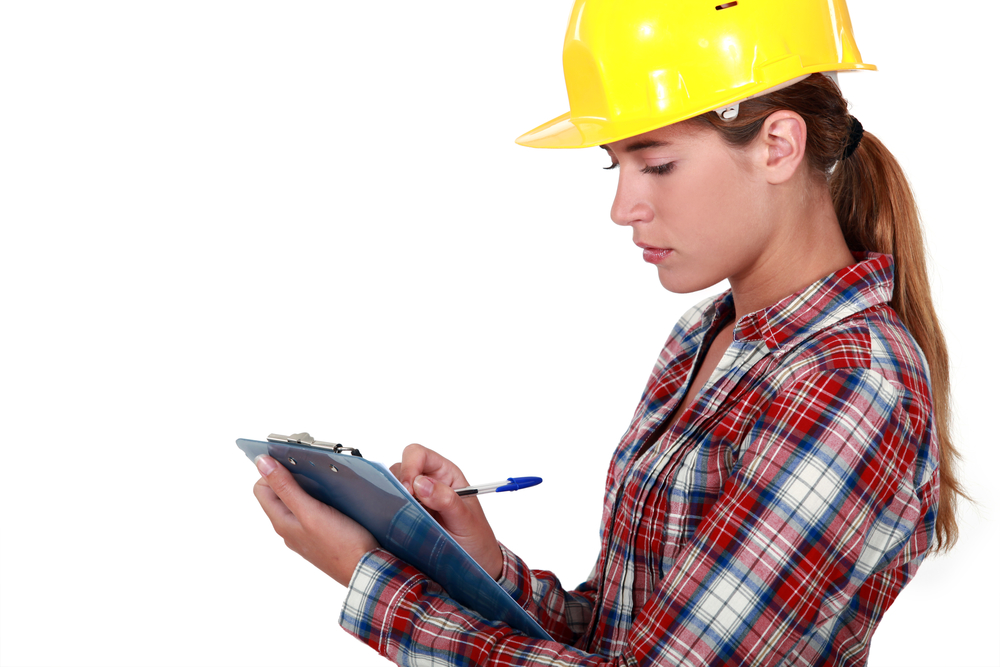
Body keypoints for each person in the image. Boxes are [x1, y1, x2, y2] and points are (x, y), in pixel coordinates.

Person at [252, 0, 962, 664]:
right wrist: (482, 562)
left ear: (778, 145)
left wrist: (368, 581)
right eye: (614, 165)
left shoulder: (849, 383)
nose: (624, 206)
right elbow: (622, 632)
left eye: (656, 163)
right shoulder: (703, 337)